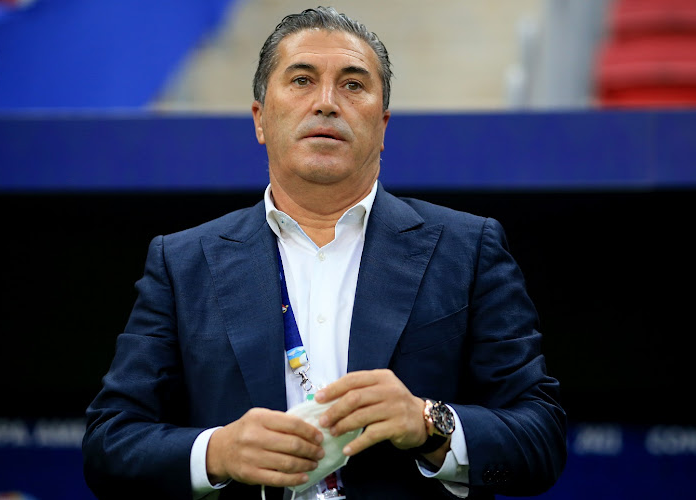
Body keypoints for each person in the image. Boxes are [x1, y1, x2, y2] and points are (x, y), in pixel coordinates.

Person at [82, 6, 566, 500]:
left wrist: (429, 424)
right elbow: (107, 451)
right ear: (260, 119)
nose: (327, 103)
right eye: (301, 80)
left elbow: (541, 449)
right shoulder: (182, 263)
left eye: (353, 85)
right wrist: (217, 452)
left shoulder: (467, 249)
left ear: (382, 126)